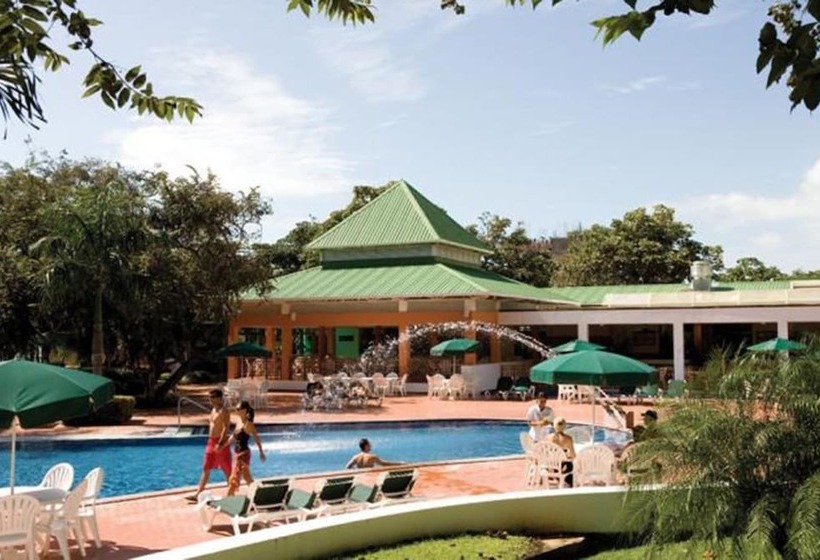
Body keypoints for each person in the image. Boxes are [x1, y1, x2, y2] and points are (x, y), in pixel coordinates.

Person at [193, 389, 232, 500]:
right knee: (206, 467)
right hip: (211, 442)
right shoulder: (214, 410)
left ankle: (231, 494)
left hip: (220, 442)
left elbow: (226, 428)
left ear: (219, 398)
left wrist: (220, 443)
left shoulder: (224, 411)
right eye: (209, 397)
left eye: (212, 397)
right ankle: (198, 493)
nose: (210, 399)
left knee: (226, 469)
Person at [226, 401, 266, 496]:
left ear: (245, 410)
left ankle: (228, 499)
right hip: (237, 454)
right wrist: (222, 446)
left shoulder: (249, 424)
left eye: (239, 409)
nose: (237, 411)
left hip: (243, 454)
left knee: (234, 479)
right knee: (247, 479)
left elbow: (257, 438)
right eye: (236, 409)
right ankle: (261, 496)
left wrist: (261, 452)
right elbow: (233, 437)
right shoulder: (239, 422)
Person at [548, 416, 576, 487]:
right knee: (570, 464)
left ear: (554, 426)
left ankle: (558, 480)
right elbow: (573, 455)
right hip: (563, 465)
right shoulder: (568, 439)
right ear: (564, 426)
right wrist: (568, 456)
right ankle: (569, 484)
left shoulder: (548, 438)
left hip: (551, 464)